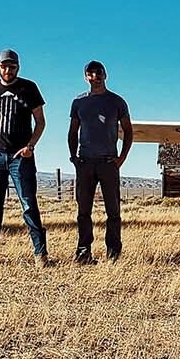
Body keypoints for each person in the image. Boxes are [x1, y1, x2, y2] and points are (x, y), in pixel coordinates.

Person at [0, 48, 49, 267]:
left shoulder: (29, 88)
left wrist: (30, 146)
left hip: (21, 157)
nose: (8, 70)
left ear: (18, 67)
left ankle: (40, 254)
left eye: (12, 66)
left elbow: (40, 121)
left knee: (28, 204)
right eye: (4, 66)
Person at [68, 60, 133, 263]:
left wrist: (121, 157)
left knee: (113, 210)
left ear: (105, 75)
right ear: (85, 77)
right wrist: (74, 157)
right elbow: (72, 131)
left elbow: (128, 130)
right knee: (83, 210)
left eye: (98, 73)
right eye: (90, 73)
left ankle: (113, 253)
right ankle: (83, 252)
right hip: (85, 162)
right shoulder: (79, 102)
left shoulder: (117, 102)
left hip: (108, 163)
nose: (94, 77)